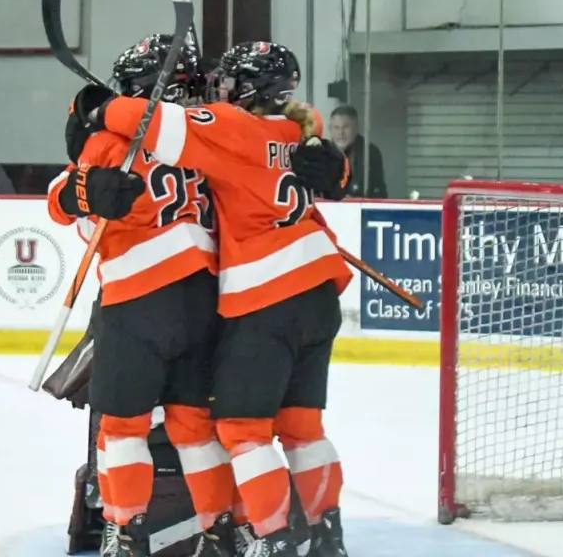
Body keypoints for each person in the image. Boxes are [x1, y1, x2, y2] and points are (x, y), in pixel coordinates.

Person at [71, 41, 354, 557]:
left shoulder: (223, 126)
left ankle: (264, 540)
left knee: (218, 429)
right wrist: (336, 162)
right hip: (303, 288)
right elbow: (307, 126)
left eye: (227, 81)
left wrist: (92, 110)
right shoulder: (294, 127)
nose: (217, 88)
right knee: (279, 426)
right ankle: (313, 536)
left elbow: (144, 128)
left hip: (239, 294)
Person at [46, 33, 237, 557]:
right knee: (196, 425)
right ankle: (219, 530)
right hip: (205, 299)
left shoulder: (112, 139)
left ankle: (124, 533)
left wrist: (81, 189)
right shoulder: (216, 136)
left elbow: (62, 204)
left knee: (123, 426)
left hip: (136, 300)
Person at [327, 104, 387, 198]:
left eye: (346, 127)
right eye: (336, 128)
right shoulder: (324, 153)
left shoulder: (369, 152)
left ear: (356, 128)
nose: (341, 133)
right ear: (330, 129)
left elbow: (378, 191)